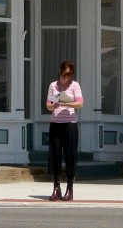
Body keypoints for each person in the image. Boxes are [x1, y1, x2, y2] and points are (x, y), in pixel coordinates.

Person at [45, 60, 83, 201]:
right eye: (63, 76)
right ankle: (56, 187)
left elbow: (79, 103)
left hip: (70, 124)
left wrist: (65, 103)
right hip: (56, 123)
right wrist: (53, 106)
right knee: (55, 155)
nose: (64, 79)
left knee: (70, 155)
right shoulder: (53, 86)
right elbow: (48, 105)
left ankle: (70, 189)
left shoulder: (74, 86)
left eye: (67, 76)